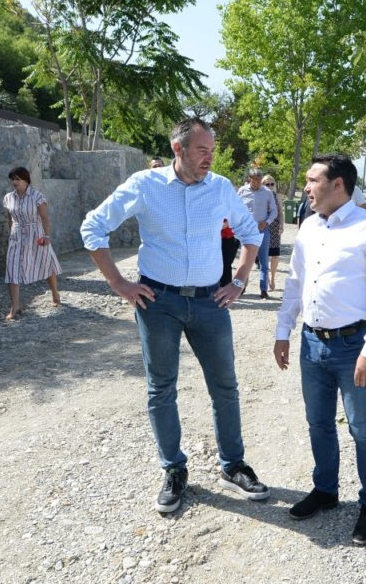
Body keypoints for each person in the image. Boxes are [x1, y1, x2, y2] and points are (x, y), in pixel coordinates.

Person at [80, 118, 271, 514]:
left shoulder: (220, 188)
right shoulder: (144, 185)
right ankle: (173, 469)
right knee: (161, 389)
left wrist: (239, 280)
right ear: (177, 149)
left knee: (225, 387)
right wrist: (118, 282)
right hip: (158, 303)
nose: (209, 158)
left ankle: (233, 466)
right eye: (202, 150)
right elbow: (93, 227)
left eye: (211, 151)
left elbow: (250, 234)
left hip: (209, 303)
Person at [273, 153, 366, 545]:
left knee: (363, 428)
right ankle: (326, 491)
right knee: (318, 423)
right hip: (312, 343)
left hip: (352, 346)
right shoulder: (309, 226)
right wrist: (283, 330)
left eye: (313, 180)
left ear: (338, 184)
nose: (306, 187)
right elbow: (296, 282)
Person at [3, 167, 61, 320]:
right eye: (12, 179)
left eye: (18, 179)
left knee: (45, 263)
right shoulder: (8, 197)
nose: (14, 182)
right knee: (12, 268)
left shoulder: (37, 196)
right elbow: (10, 218)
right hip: (16, 236)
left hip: (36, 235)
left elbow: (45, 218)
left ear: (26, 180)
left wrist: (46, 235)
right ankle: (15, 306)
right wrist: (11, 234)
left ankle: (55, 294)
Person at [237, 168, 278, 299]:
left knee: (263, 261)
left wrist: (266, 222)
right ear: (249, 179)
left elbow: (274, 211)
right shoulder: (242, 191)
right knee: (245, 261)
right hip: (247, 231)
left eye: (259, 180)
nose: (257, 182)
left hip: (262, 229)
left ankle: (263, 289)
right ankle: (242, 287)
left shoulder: (267, 193)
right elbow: (236, 208)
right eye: (254, 180)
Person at [261, 174, 285, 291]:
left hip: (275, 228)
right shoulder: (260, 195)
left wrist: (281, 225)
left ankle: (272, 278)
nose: (270, 186)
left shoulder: (276, 196)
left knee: (275, 254)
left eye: (272, 184)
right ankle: (264, 279)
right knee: (264, 254)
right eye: (267, 184)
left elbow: (280, 212)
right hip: (263, 227)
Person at [220, 219, 240, 288]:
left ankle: (225, 287)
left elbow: (227, 223)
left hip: (230, 238)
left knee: (226, 265)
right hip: (218, 238)